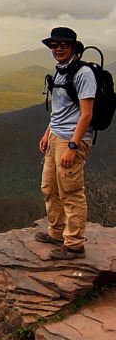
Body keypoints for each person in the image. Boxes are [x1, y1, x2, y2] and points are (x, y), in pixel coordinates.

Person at [38, 26, 96, 259]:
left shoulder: (83, 74)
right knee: (49, 187)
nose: (58, 48)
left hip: (72, 140)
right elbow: (60, 111)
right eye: (54, 45)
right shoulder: (62, 71)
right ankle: (57, 232)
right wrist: (47, 133)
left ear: (74, 46)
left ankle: (74, 244)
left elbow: (86, 114)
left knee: (70, 191)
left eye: (63, 45)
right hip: (55, 137)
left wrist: (73, 146)